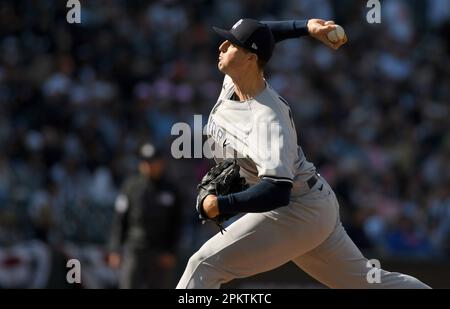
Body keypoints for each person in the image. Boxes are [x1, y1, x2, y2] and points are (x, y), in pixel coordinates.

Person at [176, 18, 431, 288]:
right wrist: (307, 27)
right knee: (366, 283)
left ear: (251, 58)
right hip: (312, 203)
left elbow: (277, 190)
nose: (222, 46)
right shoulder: (235, 78)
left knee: (203, 265)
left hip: (297, 209)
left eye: (231, 44)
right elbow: (262, 32)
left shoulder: (268, 119)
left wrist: (224, 205)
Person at [108, 143, 182, 288]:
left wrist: (171, 251)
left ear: (161, 162)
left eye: (152, 161)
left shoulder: (171, 190)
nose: (148, 165)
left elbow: (177, 223)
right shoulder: (131, 186)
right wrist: (115, 249)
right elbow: (120, 220)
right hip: (135, 248)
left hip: (160, 251)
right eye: (145, 161)